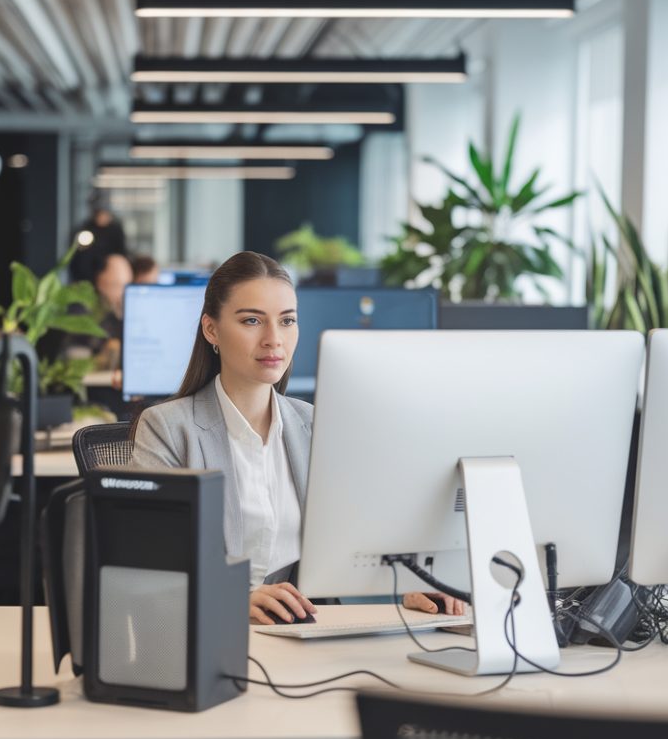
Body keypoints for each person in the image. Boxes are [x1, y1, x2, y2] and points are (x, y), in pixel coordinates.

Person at [130, 251, 464, 625]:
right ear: (211, 329)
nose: (274, 339)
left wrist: (408, 585)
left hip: (294, 631)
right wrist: (229, 599)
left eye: (287, 321)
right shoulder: (167, 428)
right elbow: (148, 562)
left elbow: (353, 547)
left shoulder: (314, 424)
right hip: (203, 632)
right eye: (252, 320)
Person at [67, 204, 127, 285]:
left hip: (109, 269)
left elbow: (121, 252)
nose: (101, 217)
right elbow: (77, 253)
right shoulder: (86, 228)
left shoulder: (115, 230)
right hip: (87, 273)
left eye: (104, 214)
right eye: (99, 214)